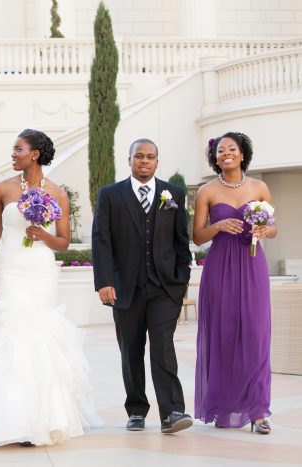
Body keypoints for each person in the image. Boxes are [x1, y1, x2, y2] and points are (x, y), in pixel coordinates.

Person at [0, 129, 100, 448]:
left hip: (40, 271)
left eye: (18, 149)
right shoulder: (2, 189)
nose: (12, 154)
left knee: (39, 336)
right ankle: (10, 418)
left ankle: (42, 419)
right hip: (12, 270)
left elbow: (62, 243)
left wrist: (42, 234)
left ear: (34, 154)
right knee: (12, 335)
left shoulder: (58, 193)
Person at [92, 138, 193, 434]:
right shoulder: (110, 195)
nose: (145, 161)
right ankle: (136, 409)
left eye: (150, 157)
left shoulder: (172, 194)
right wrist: (104, 282)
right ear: (130, 160)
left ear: (157, 162)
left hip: (164, 287)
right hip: (125, 287)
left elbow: (180, 240)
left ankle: (173, 412)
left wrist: (180, 277)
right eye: (139, 156)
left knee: (163, 348)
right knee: (131, 350)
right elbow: (101, 239)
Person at [192, 132, 276, 434]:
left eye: (232, 149)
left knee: (255, 334)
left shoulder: (260, 187)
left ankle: (257, 411)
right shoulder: (206, 191)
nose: (226, 153)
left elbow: (274, 226)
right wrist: (217, 225)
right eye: (220, 150)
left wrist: (266, 230)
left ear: (242, 155)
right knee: (224, 335)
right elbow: (197, 236)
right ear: (215, 158)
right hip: (220, 268)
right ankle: (225, 406)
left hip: (252, 264)